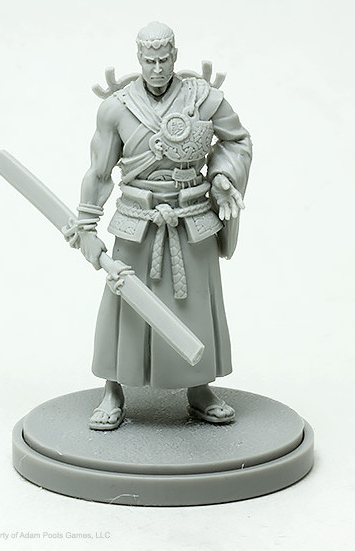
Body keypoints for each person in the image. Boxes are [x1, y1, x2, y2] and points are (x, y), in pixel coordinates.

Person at [67, 21, 252, 430]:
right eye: (149, 60)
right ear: (139, 58)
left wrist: (223, 176)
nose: (156, 68)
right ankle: (113, 389)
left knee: (194, 304)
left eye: (163, 60)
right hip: (138, 219)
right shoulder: (116, 108)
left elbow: (237, 141)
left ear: (174, 56)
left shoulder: (203, 98)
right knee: (125, 306)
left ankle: (199, 387)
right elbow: (99, 171)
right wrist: (86, 224)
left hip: (191, 218)